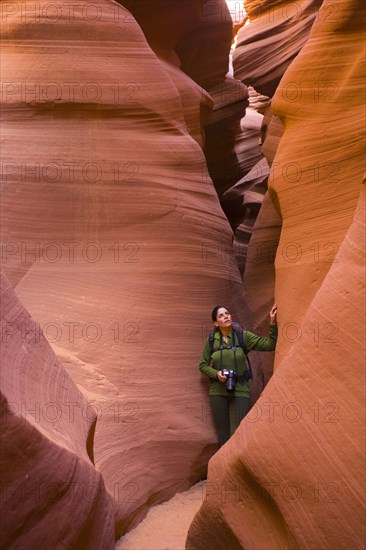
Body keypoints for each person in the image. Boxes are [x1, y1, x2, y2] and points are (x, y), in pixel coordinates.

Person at [199, 304, 278, 446]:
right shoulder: (211, 340)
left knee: (237, 435)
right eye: (221, 315)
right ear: (216, 323)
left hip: (240, 390)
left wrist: (272, 323)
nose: (226, 316)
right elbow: (203, 365)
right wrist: (216, 374)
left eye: (227, 313)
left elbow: (270, 345)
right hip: (218, 391)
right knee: (223, 435)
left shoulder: (242, 336)